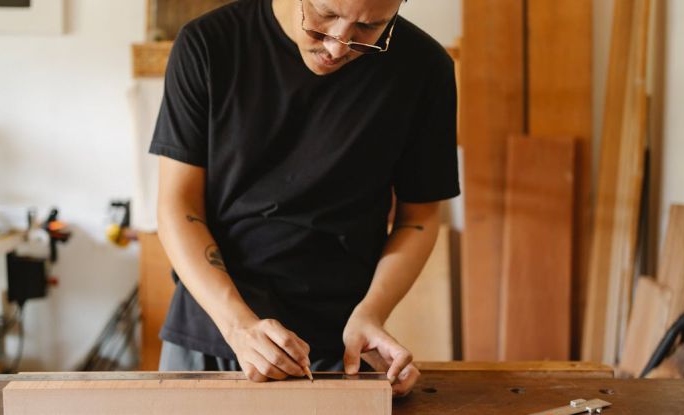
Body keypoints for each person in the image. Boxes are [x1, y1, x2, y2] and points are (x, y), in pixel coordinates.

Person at [149, 0, 459, 397]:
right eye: (325, 16)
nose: (338, 46)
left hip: (339, 342)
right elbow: (178, 207)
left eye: (370, 28)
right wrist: (238, 325)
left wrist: (372, 314)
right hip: (214, 325)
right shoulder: (208, 43)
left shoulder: (424, 68)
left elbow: (419, 217)